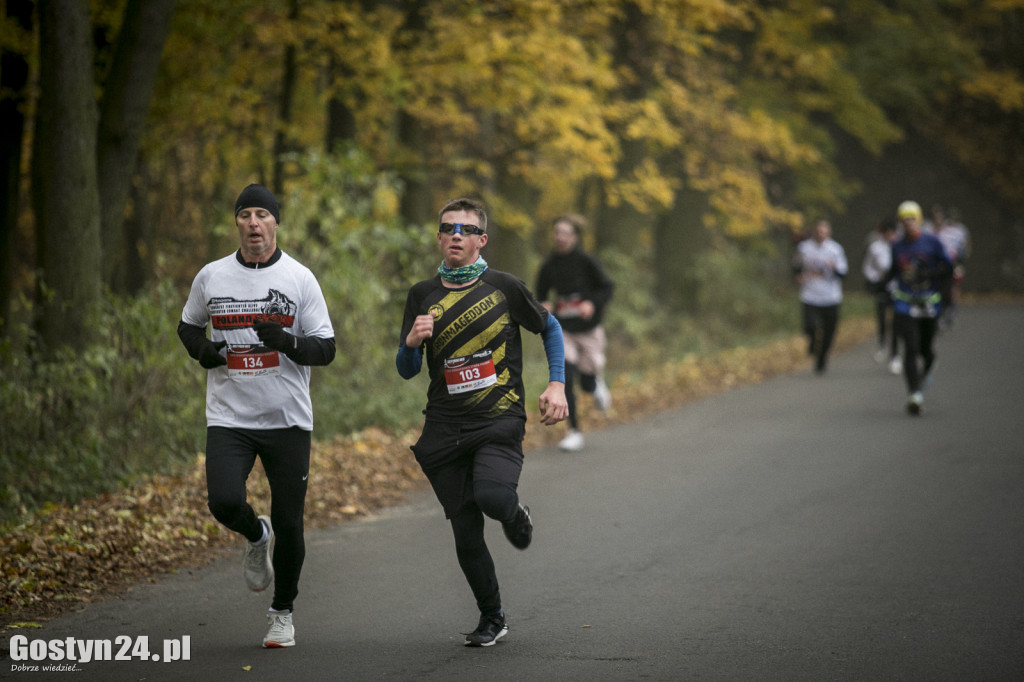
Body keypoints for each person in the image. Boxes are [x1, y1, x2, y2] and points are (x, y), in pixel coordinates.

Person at [396, 197, 568, 647]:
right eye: (448, 227)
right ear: (438, 238)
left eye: (466, 229)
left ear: (482, 240)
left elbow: (550, 328)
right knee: (465, 532)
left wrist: (557, 384)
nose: (456, 234)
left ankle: (514, 514)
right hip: (445, 427)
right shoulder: (422, 294)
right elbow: (406, 369)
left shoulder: (504, 286)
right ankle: (492, 617)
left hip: (498, 418)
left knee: (492, 495)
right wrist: (412, 343)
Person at [178, 184, 336, 648]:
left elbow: (325, 348)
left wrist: (286, 341)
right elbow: (187, 325)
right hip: (229, 415)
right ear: (237, 224)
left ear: (275, 223)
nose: (253, 223)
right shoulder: (212, 276)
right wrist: (204, 351)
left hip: (287, 420)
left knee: (291, 523)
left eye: (261, 215)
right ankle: (254, 532)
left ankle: (282, 613)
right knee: (223, 501)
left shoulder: (299, 278)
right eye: (245, 214)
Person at [535, 214, 615, 452]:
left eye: (565, 233)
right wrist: (543, 305)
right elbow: (540, 295)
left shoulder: (586, 261)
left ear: (575, 237)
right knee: (566, 377)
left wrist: (591, 303)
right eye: (556, 232)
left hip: (589, 328)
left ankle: (595, 384)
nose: (560, 237)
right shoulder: (549, 265)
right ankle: (573, 431)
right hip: (563, 330)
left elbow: (607, 287)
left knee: (587, 382)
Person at [886, 200, 953, 416]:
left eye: (912, 219)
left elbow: (948, 269)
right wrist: (878, 285)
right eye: (904, 220)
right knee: (911, 348)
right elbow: (894, 271)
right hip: (905, 303)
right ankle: (914, 394)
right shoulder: (897, 246)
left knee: (925, 348)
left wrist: (931, 278)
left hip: (929, 302)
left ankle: (930, 363)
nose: (908, 223)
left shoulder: (932, 242)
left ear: (919, 220)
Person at [792, 219, 848, 374]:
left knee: (829, 332)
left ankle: (821, 359)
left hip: (831, 297)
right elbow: (795, 266)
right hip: (810, 295)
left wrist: (834, 267)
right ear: (814, 232)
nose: (821, 234)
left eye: (824, 231)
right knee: (810, 326)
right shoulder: (804, 248)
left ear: (829, 233)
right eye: (818, 231)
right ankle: (811, 344)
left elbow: (843, 273)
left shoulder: (836, 249)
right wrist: (798, 276)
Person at [862, 217, 901, 374]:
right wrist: (874, 281)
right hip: (881, 288)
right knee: (882, 318)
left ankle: (895, 356)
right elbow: (867, 267)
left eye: (893, 233)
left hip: (898, 289)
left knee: (897, 323)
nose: (891, 236)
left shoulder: (900, 247)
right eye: (888, 233)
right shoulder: (876, 248)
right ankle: (882, 344)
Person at [934, 206, 971, 329]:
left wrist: (961, 259)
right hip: (940, 265)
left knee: (954, 287)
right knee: (941, 289)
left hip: (955, 264)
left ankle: (951, 309)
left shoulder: (958, 231)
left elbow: (965, 246)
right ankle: (942, 312)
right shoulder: (938, 230)